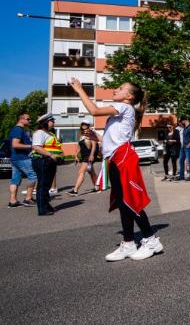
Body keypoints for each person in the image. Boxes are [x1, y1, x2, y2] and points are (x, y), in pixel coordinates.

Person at [69, 78, 162, 261]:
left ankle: (151, 240)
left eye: (120, 88)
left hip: (123, 158)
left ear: (129, 96)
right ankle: (128, 243)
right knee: (122, 202)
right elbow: (111, 140)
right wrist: (97, 136)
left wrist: (80, 90)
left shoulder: (125, 108)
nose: (115, 90)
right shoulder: (121, 112)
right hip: (114, 158)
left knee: (131, 200)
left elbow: (94, 111)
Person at [30, 114, 59, 215]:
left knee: (46, 185)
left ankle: (46, 205)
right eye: (52, 121)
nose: (54, 123)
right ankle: (42, 210)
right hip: (42, 161)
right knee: (42, 185)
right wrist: (50, 154)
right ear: (46, 122)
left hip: (49, 162)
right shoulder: (39, 133)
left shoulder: (50, 133)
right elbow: (36, 147)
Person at [7, 113, 37, 208]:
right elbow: (15, 144)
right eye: (28, 119)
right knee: (33, 175)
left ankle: (13, 201)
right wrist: (31, 146)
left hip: (15, 158)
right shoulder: (18, 130)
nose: (30, 121)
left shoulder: (16, 130)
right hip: (22, 158)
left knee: (15, 180)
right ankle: (28, 199)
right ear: (21, 119)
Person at [69, 122, 97, 196]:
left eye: (85, 124)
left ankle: (75, 190)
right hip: (84, 156)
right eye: (82, 124)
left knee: (81, 172)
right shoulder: (81, 135)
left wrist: (92, 155)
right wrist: (76, 156)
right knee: (92, 173)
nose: (84, 125)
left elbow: (94, 146)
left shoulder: (91, 134)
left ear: (88, 125)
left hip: (88, 156)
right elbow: (79, 147)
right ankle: (97, 187)